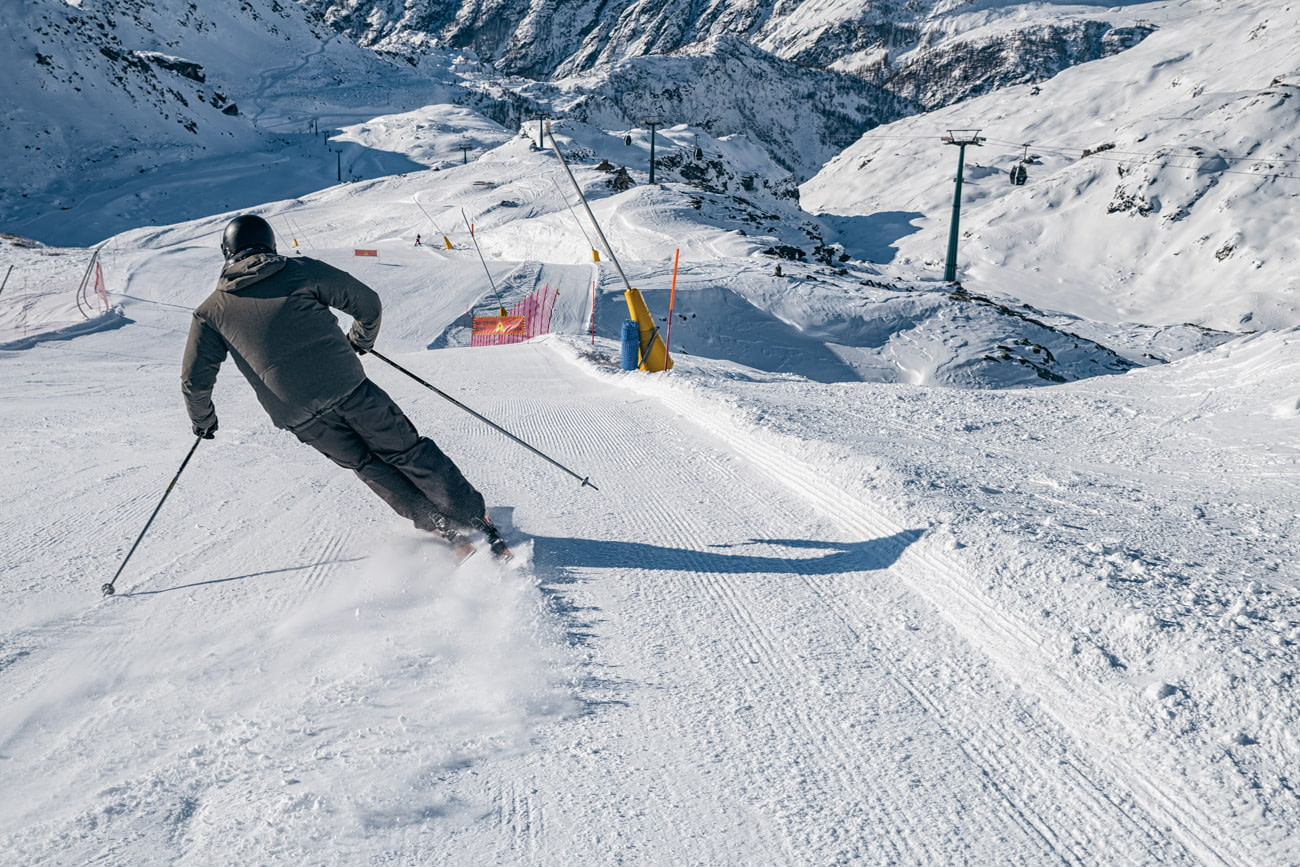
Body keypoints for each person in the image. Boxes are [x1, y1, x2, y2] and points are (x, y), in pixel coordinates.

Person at [180, 214, 510, 561]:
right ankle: (474, 518)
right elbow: (367, 303)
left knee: (367, 465)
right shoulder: (299, 270)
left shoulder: (210, 312)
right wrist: (360, 340)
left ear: (227, 252)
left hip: (298, 415)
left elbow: (194, 380)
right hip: (348, 387)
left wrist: (203, 421)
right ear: (270, 243)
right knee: (406, 451)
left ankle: (441, 526)